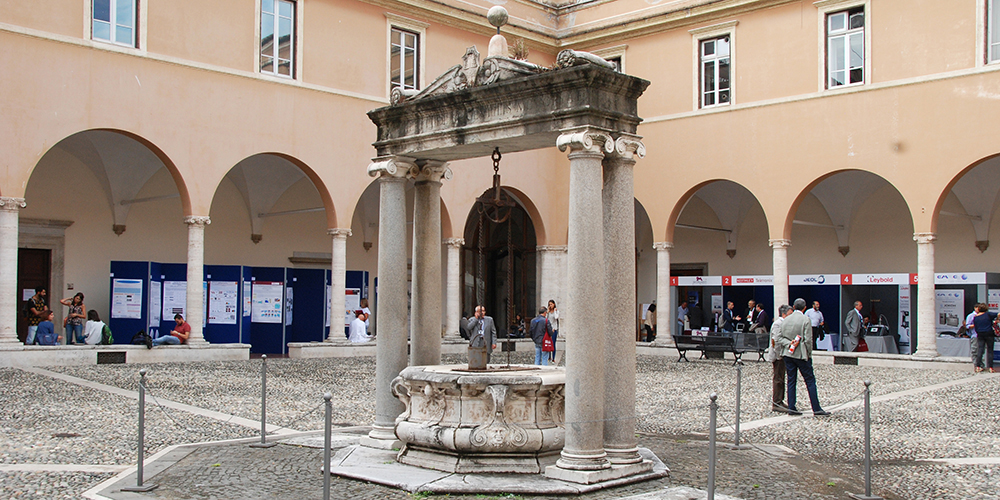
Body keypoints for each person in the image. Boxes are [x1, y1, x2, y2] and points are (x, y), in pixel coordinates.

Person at [776, 299, 829, 416]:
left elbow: (779, 337)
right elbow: (808, 340)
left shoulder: (786, 319)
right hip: (801, 354)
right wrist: (809, 354)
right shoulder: (806, 319)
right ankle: (816, 407)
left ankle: (791, 407)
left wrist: (789, 343)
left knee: (791, 380)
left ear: (794, 306)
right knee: (810, 380)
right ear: (804, 308)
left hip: (788, 353)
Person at [767, 304, 793, 413]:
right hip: (779, 356)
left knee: (781, 377)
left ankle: (780, 400)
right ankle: (777, 402)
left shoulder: (785, 323)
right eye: (790, 314)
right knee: (778, 378)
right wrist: (779, 356)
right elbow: (776, 341)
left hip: (783, 355)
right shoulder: (778, 324)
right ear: (783, 314)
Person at [972, 303, 999, 373]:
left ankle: (978, 366)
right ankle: (990, 367)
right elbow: (998, 314)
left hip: (980, 334)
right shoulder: (988, 314)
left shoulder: (975, 317)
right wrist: (998, 319)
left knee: (980, 350)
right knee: (990, 350)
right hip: (989, 333)